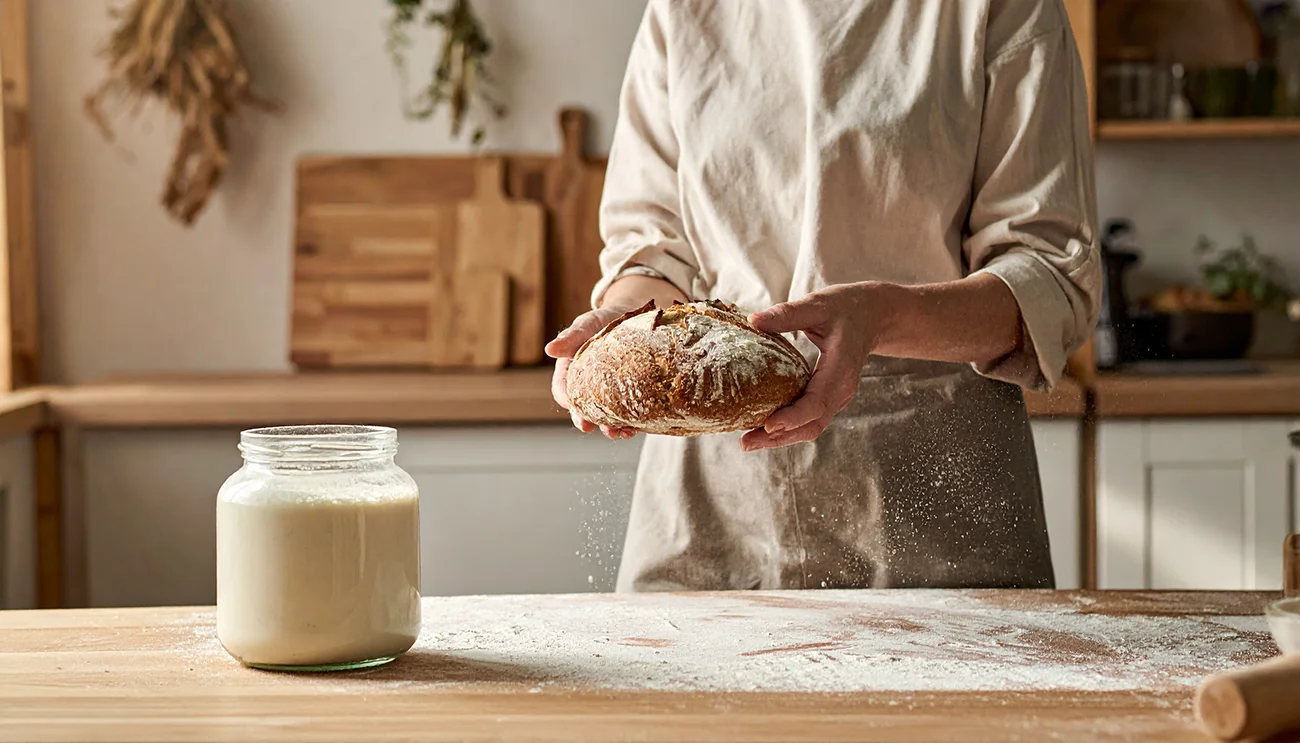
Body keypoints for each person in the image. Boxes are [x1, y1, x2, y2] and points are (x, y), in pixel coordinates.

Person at [545, 0, 1100, 592]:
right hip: (714, 483)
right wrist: (622, 326)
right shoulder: (684, 11)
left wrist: (884, 318)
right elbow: (653, 251)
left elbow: (1048, 276)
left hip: (931, 480)